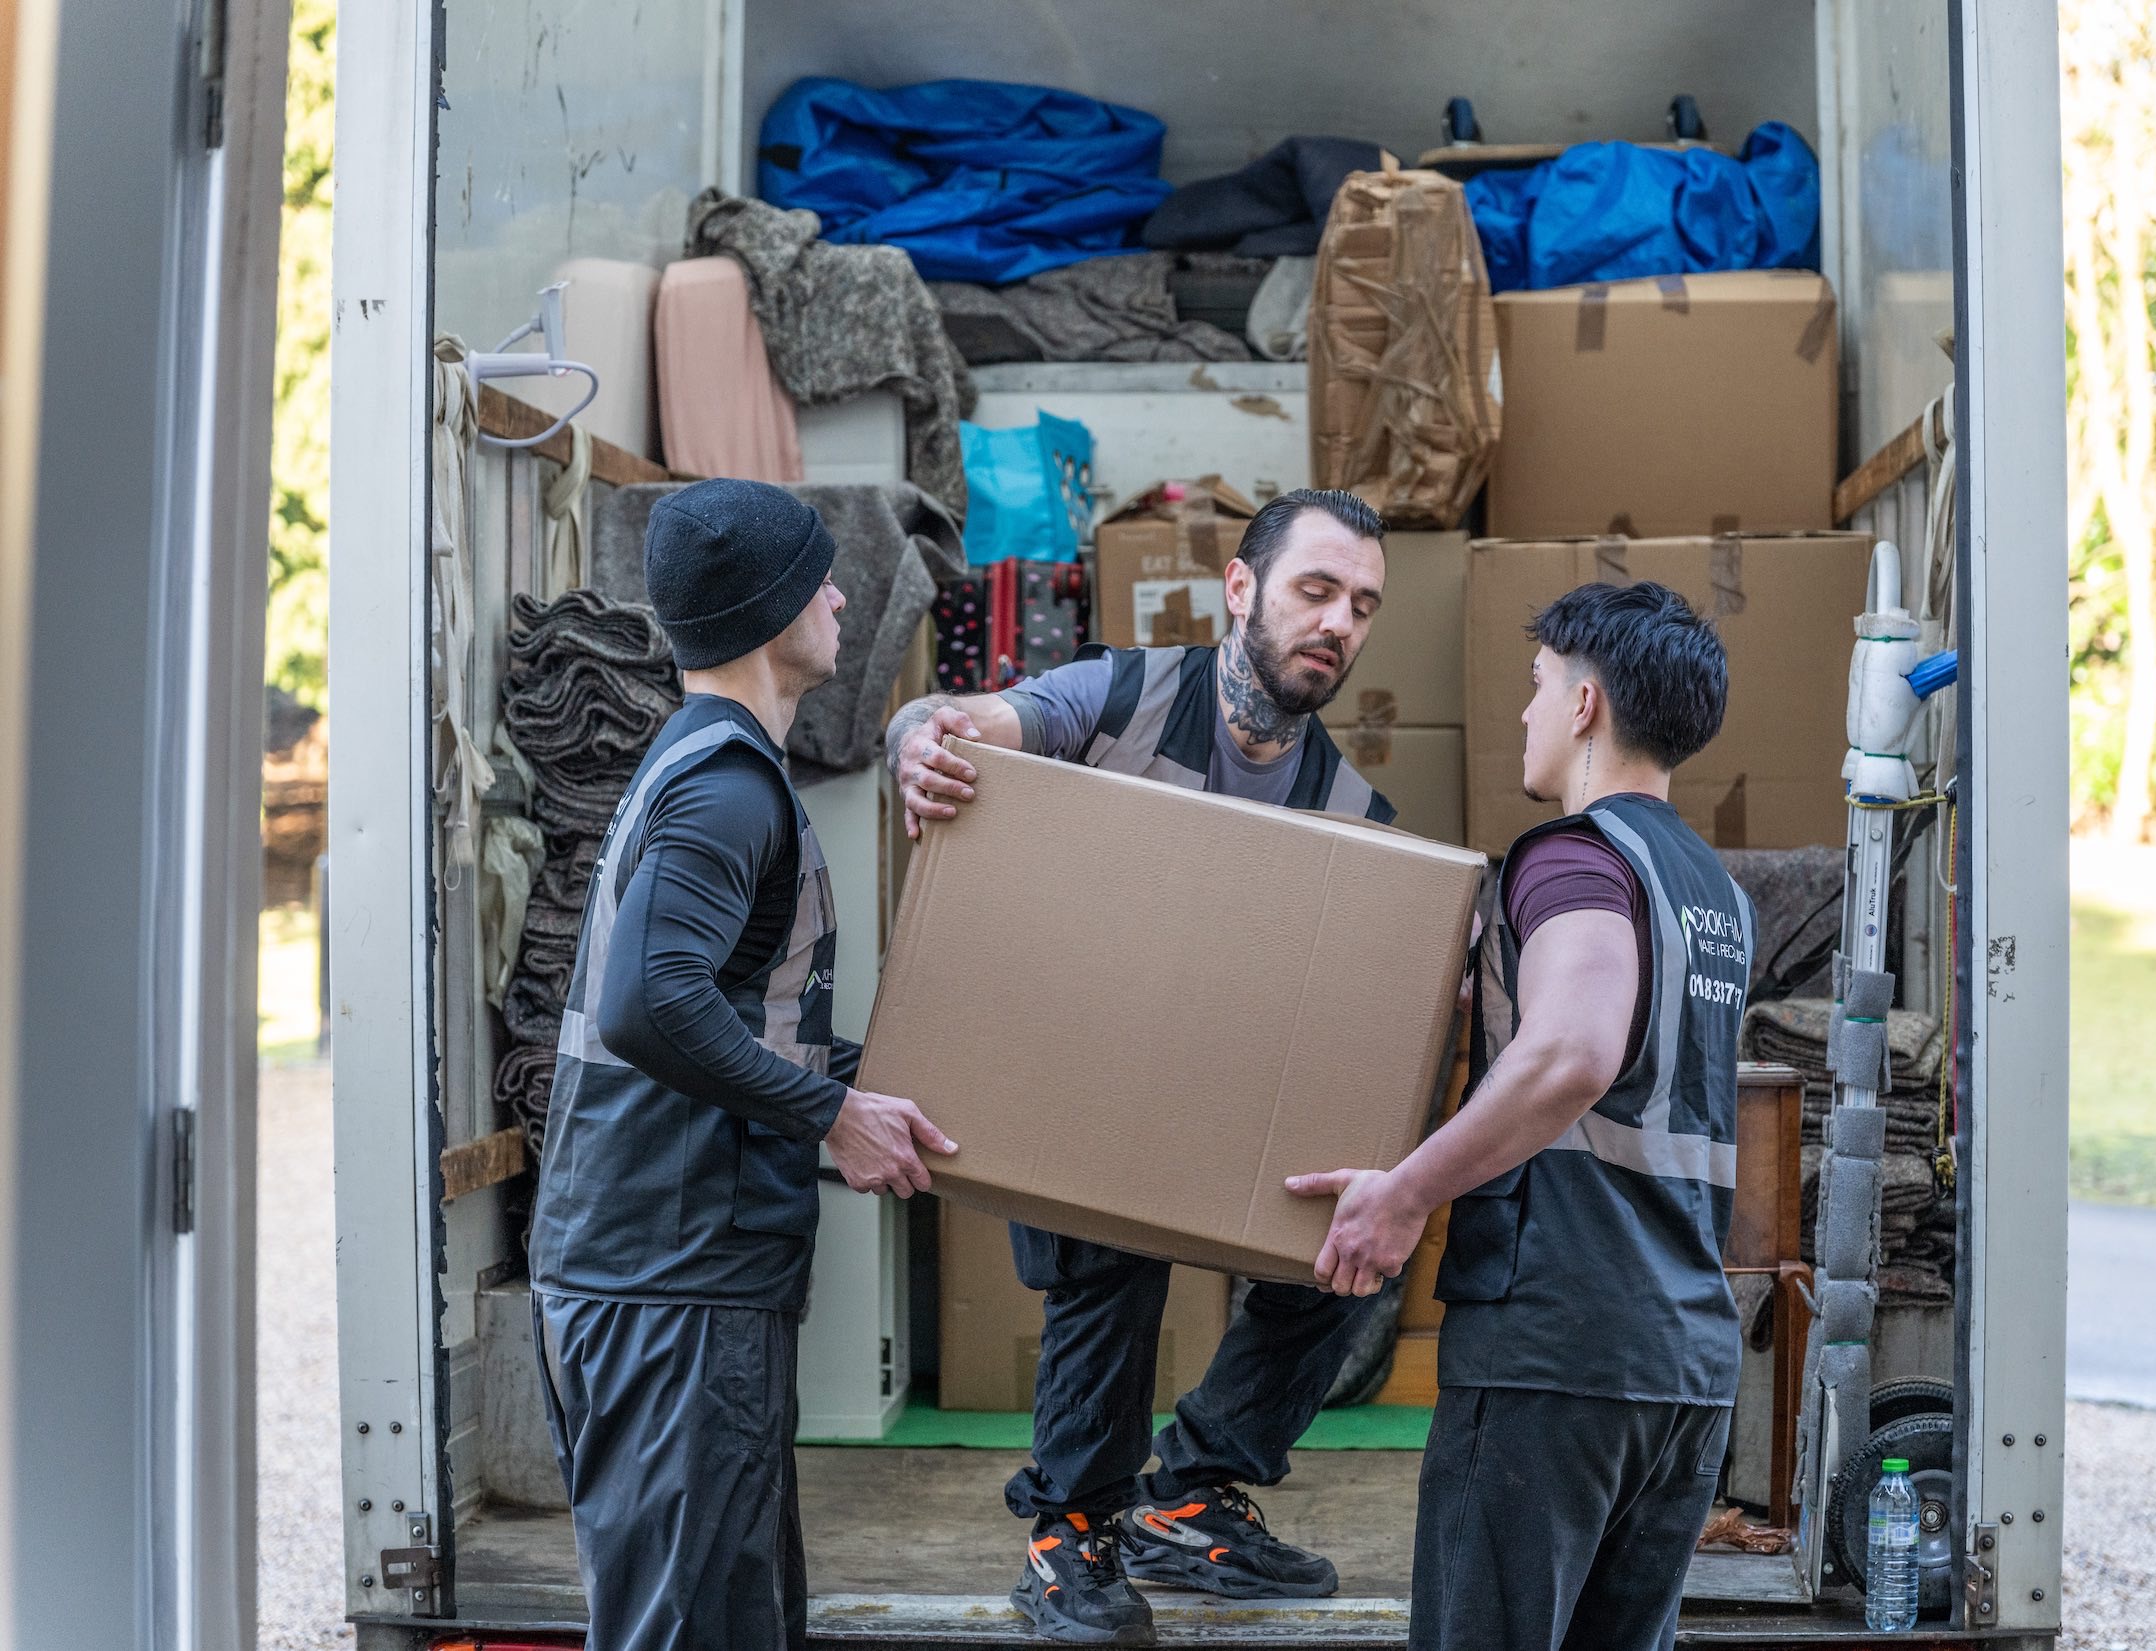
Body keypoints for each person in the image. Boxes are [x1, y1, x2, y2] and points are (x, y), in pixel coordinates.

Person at [884, 487, 1394, 1645]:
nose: (1338, 622)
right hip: (1070, 1079)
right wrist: (923, 743)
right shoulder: (1117, 696)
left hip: (1221, 1090)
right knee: (1111, 1231)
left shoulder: (1349, 812)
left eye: (1361, 606)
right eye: (1316, 590)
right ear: (1241, 589)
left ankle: (1193, 1493)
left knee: (1359, 1228)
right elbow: (952, 719)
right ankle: (1068, 1531)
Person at [529, 479, 958, 1651]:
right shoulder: (725, 788)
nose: (839, 596)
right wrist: (832, 1116)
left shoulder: (713, 766)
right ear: (772, 615)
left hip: (677, 1277)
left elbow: (727, 1013)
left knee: (735, 1619)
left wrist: (874, 1086)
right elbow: (651, 1003)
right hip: (669, 1283)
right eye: (818, 579)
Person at [1289, 581, 1753, 1651]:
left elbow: (1574, 1051)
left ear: (1586, 704)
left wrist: (1404, 1193)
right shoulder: (1713, 894)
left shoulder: (1575, 854)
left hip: (1555, 1348)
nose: (1527, 711)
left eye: (1539, 685)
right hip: (1680, 1363)